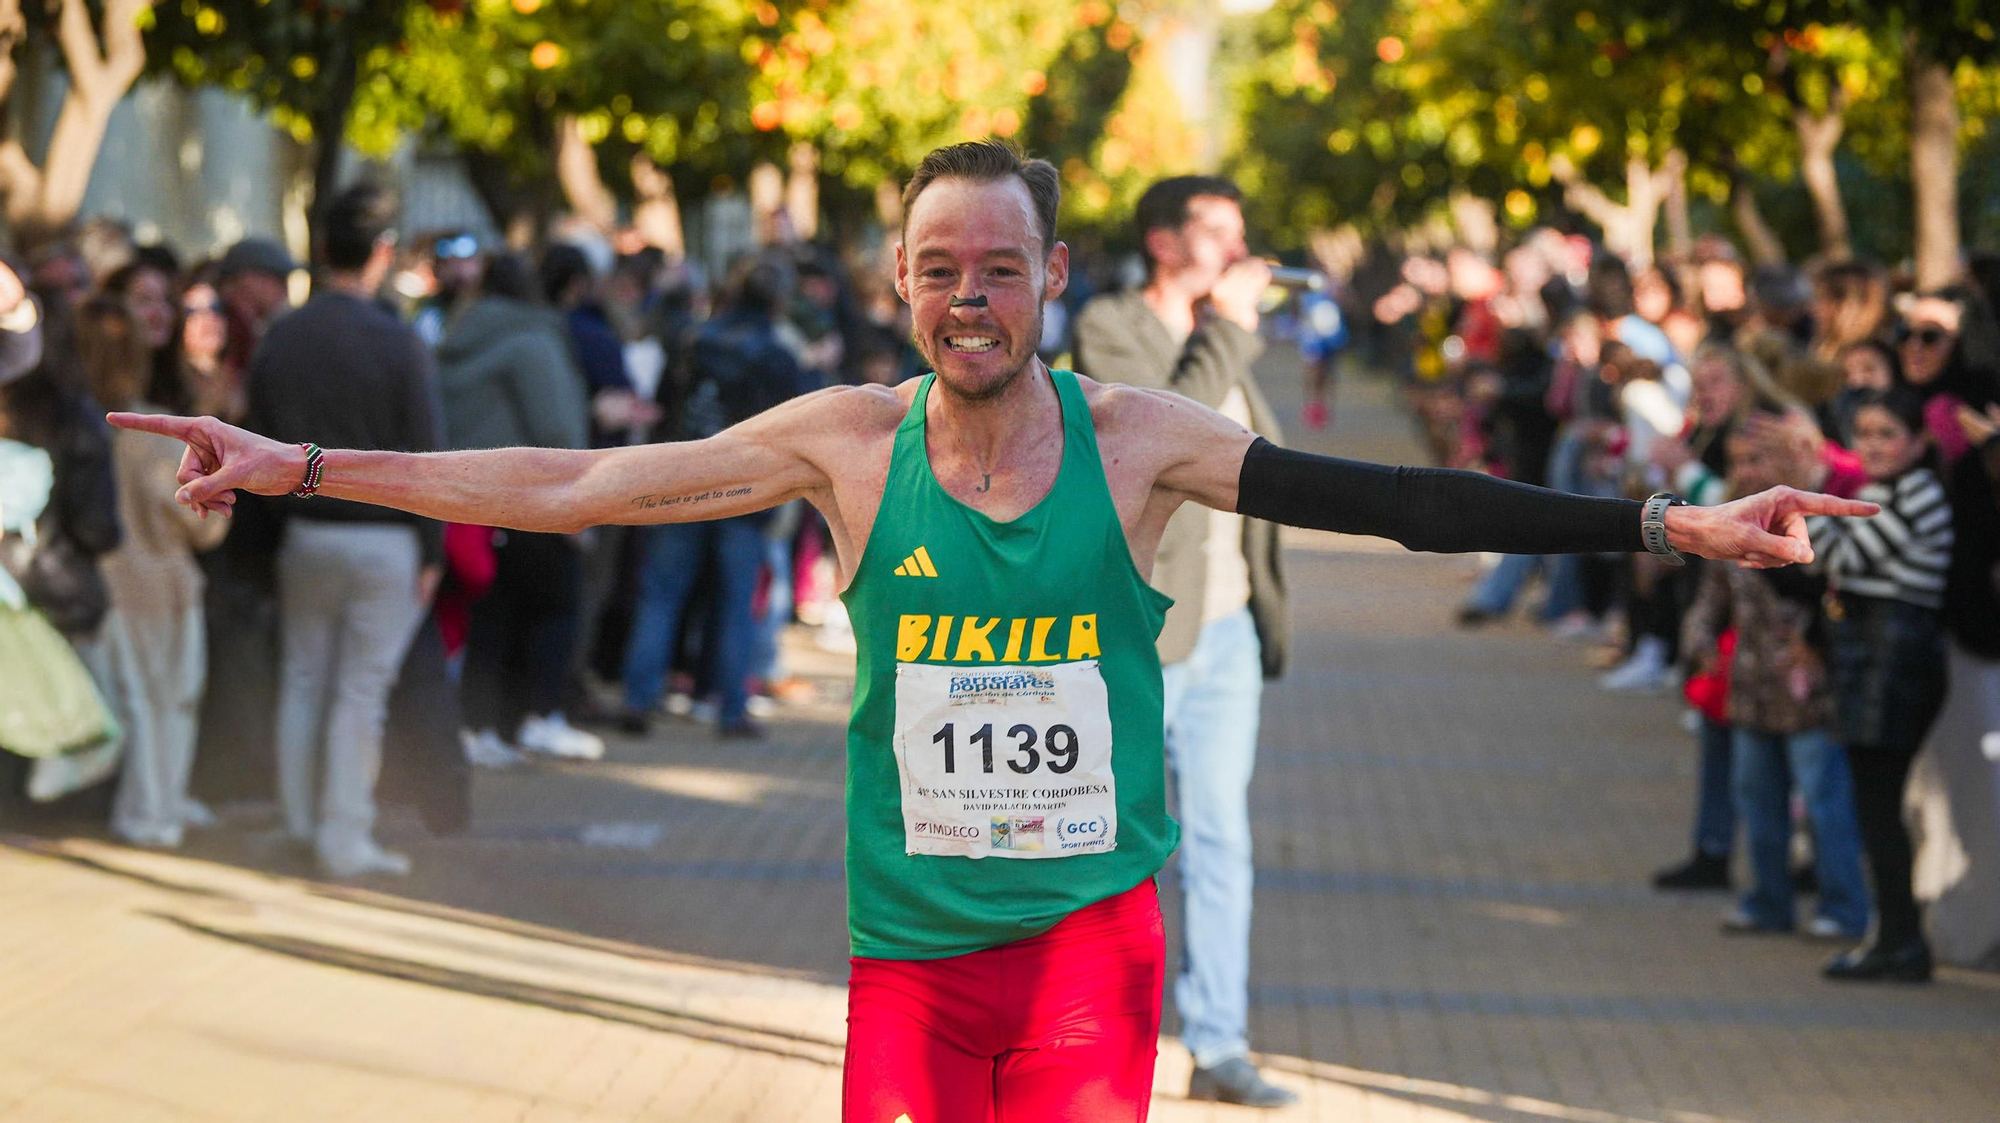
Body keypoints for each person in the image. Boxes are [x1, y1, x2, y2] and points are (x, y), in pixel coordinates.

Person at [115, 139, 1872, 1121]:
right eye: (940, 267)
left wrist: (1665, 518)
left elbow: (1395, 501)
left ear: (1049, 280)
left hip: (1092, 954)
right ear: (902, 284)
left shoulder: (1143, 443)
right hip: (906, 958)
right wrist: (309, 462)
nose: (970, 295)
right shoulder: (845, 445)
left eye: (1002, 266)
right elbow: (575, 483)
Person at [1071, 174, 1295, 1108]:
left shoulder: (1223, 332)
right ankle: (1091, 1042)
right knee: (1116, 842)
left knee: (1219, 838)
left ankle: (1219, 1041)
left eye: (1241, 234)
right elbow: (1162, 437)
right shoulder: (1112, 327)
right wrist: (1230, 329)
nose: (1235, 251)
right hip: (1142, 627)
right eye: (1215, 232)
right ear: (1162, 241)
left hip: (1229, 625)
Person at [242, 183, 445, 878]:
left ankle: (303, 823)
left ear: (322, 247)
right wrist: (433, 546)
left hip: (304, 530)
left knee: (303, 681)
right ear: (382, 253)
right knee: (360, 692)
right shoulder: (398, 341)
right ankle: (343, 835)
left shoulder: (285, 337)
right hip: (384, 537)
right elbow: (426, 453)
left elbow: (258, 440)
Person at [1683, 423, 1870, 942]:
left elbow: (1836, 593)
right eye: (1738, 460)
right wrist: (1698, 640)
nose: (1745, 471)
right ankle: (1768, 900)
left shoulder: (1809, 521)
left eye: (1757, 460)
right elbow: (1711, 595)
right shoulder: (1725, 519)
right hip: (1749, 681)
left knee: (1823, 798)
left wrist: (1818, 639)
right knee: (1756, 795)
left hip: (1805, 684)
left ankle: (1845, 906)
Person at [618, 257, 812, 738]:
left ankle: (637, 699)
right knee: (736, 602)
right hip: (743, 491)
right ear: (778, 301)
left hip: (681, 482)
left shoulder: (694, 340)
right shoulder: (777, 355)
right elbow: (792, 428)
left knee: (662, 595)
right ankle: (730, 710)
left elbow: (665, 409)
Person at [1809, 387, 1953, 981]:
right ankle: (1895, 937)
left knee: (1880, 809)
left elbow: (1838, 558)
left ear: (1918, 442)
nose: (1873, 445)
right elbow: (1824, 554)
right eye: (1864, 433)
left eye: (1887, 433)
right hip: (1874, 655)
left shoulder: (1916, 491)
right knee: (1876, 809)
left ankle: (1900, 941)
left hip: (1897, 658)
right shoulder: (1879, 491)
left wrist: (1815, 508)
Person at [435, 252, 601, 765]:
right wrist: (583, 500)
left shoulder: (450, 340)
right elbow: (557, 430)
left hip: (463, 499)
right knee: (551, 607)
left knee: (486, 617)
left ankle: (475, 726)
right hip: (528, 500)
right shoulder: (533, 342)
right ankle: (534, 718)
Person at [75, 295, 228, 846]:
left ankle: (147, 811)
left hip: (106, 583)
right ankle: (153, 813)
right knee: (169, 703)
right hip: (163, 586)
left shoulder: (77, 423)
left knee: (134, 703)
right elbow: (198, 521)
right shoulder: (154, 434)